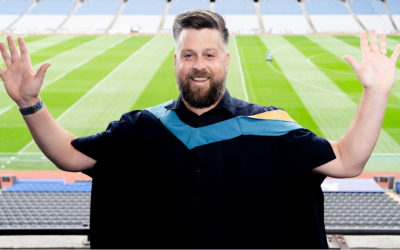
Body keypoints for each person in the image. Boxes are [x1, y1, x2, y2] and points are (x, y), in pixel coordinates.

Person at [0, 9, 399, 249]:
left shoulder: (270, 128)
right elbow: (70, 155)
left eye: (209, 54)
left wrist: (376, 92)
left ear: (225, 60)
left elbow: (348, 161)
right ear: (176, 61)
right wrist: (28, 103)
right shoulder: (142, 128)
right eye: (189, 54)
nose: (199, 64)